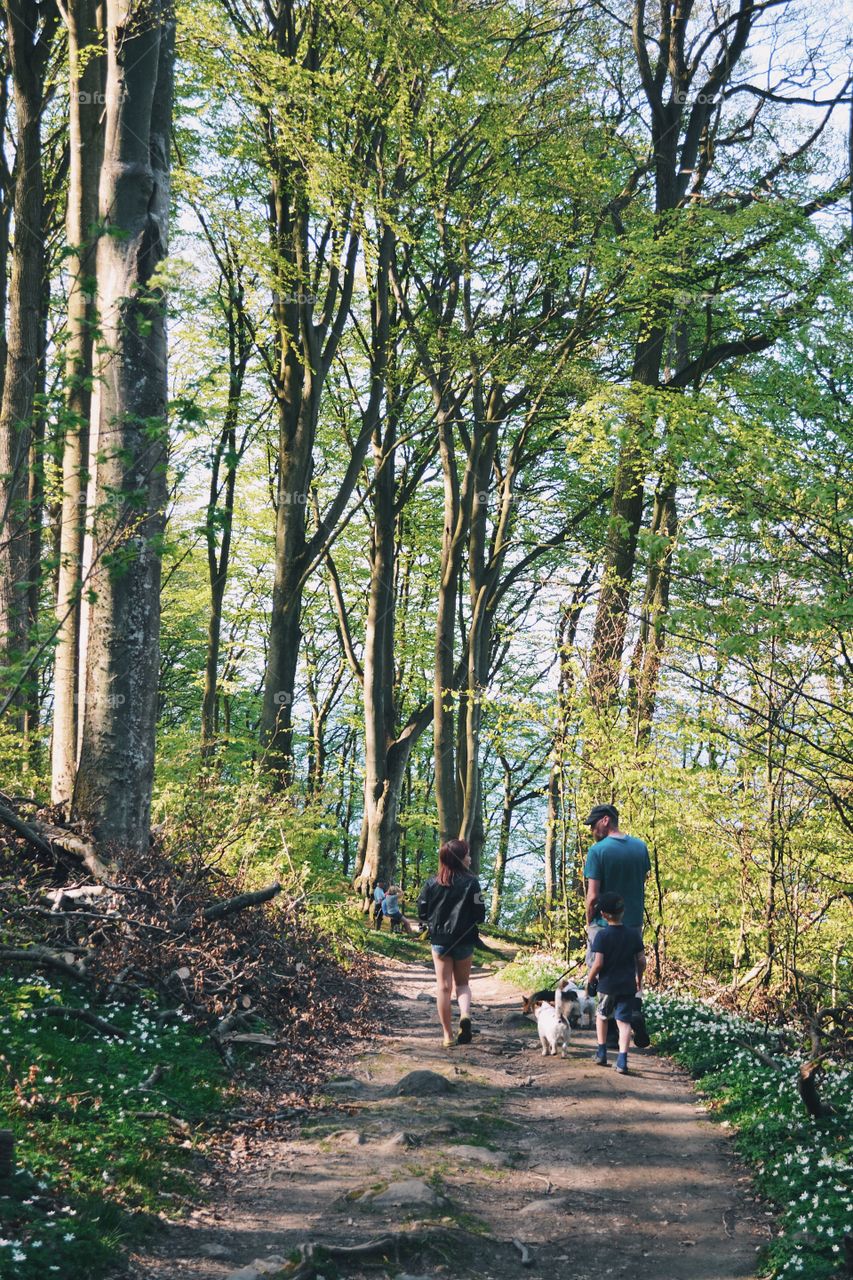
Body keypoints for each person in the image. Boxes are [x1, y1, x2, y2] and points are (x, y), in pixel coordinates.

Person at [417, 838, 486, 1049]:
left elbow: (422, 911)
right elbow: (480, 914)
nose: (470, 857)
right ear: (459, 858)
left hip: (439, 941)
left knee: (443, 988)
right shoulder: (472, 882)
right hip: (464, 939)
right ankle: (465, 1015)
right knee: (463, 984)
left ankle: (447, 1036)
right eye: (467, 854)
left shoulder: (430, 883)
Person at [587, 890, 646, 1074]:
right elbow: (641, 961)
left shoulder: (602, 936)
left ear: (603, 914)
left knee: (602, 1017)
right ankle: (622, 1061)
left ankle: (602, 1053)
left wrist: (589, 980)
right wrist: (639, 979)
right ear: (623, 912)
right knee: (624, 1022)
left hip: (607, 986)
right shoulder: (633, 934)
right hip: (628, 986)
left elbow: (598, 964)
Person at [583, 803, 650, 951]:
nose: (592, 830)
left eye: (594, 824)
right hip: (633, 927)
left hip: (603, 927)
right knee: (627, 971)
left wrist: (589, 924)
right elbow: (641, 881)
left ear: (605, 820)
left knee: (599, 972)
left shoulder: (596, 851)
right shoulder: (641, 847)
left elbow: (593, 896)